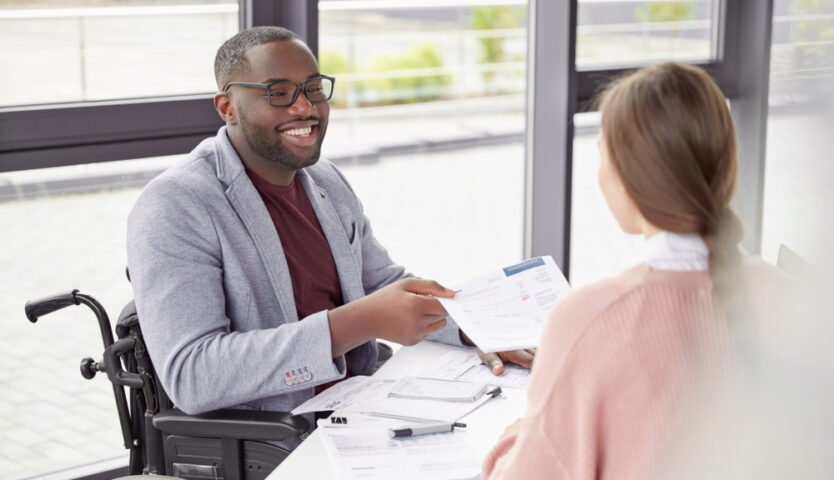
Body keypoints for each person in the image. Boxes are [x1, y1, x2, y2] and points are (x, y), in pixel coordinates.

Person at [126, 25, 533, 449]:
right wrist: (360, 322)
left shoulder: (324, 179)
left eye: (314, 88)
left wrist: (476, 330)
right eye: (278, 92)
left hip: (365, 406)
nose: (305, 108)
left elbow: (379, 284)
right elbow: (192, 375)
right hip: (279, 438)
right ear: (228, 107)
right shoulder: (175, 205)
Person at [481, 62, 744, 479]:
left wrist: (519, 438)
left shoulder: (589, 319)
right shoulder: (790, 302)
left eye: (603, 155)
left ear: (627, 175)